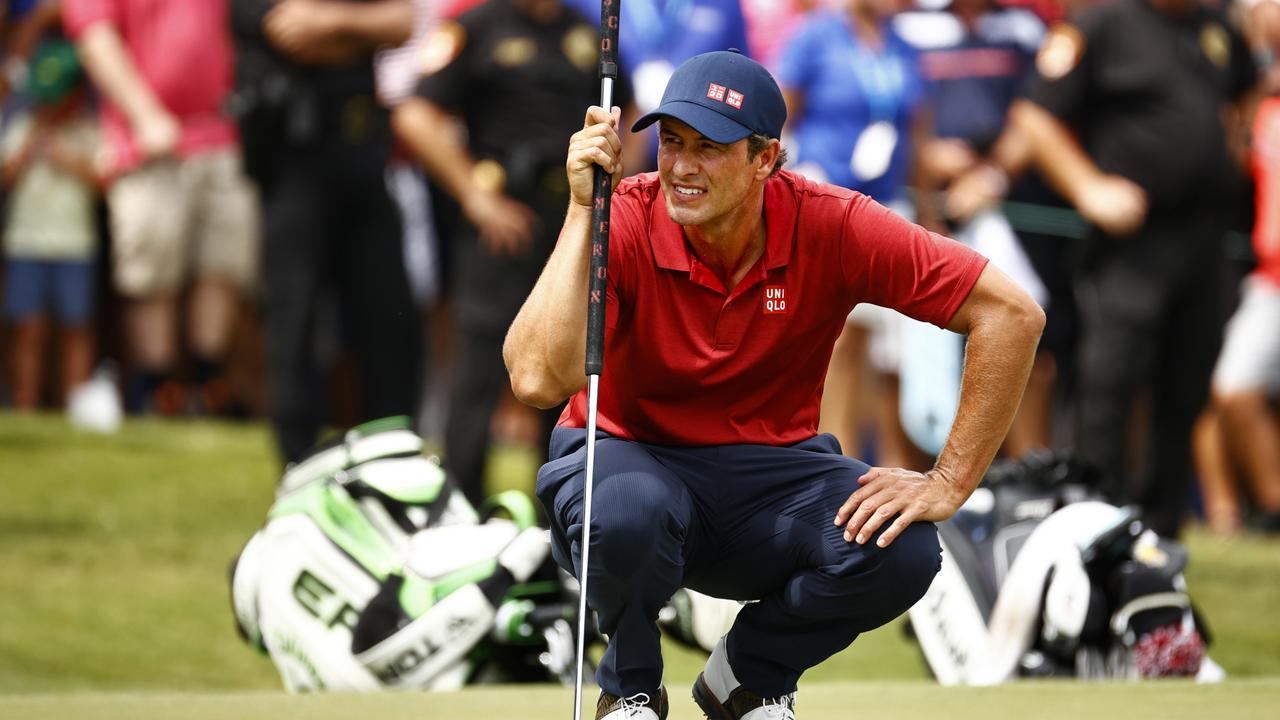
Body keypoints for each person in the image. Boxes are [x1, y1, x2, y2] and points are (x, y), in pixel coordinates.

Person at [503, 50, 1044, 720]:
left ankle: (749, 678)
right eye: (671, 143)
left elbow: (1010, 312)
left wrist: (949, 481)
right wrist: (585, 212)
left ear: (766, 159)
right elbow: (533, 379)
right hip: (628, 457)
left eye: (710, 148)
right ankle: (630, 690)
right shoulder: (628, 215)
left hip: (768, 480)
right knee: (628, 510)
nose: (682, 168)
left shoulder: (832, 222)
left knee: (902, 548)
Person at [1005, 0, 1255, 537]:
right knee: (1111, 381)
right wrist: (1086, 186)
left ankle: (1162, 532)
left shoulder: (1214, 27)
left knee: (1187, 382)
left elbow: (1243, 93)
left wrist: (1225, 147)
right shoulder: (1102, 22)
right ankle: (1097, 522)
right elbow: (1035, 114)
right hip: (1132, 239)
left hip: (1206, 236)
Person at [392, 0, 632, 504]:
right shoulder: (475, 26)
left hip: (570, 217)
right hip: (500, 224)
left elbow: (625, 110)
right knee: (477, 371)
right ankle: (460, 511)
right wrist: (475, 196)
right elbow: (415, 114)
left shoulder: (588, 33)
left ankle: (558, 522)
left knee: (564, 368)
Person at [230, 0, 423, 464]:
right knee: (294, 326)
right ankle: (298, 465)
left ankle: (391, 459)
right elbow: (291, 36)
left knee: (390, 322)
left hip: (362, 160)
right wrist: (361, 34)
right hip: (293, 164)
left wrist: (333, 23)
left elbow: (404, 23)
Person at [64, 0, 260, 415]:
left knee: (222, 266)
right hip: (146, 143)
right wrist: (145, 116)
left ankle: (210, 390)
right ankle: (160, 393)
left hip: (224, 135)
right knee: (152, 274)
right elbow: (94, 35)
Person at [775, 0, 936, 470]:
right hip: (823, 203)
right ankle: (830, 461)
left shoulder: (905, 46)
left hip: (886, 211)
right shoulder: (815, 36)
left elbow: (919, 137)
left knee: (881, 352)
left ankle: (882, 470)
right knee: (837, 335)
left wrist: (929, 217)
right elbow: (777, 118)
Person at [1, 39, 100, 410]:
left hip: (75, 243)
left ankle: (76, 406)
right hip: (25, 241)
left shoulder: (88, 129)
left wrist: (65, 158)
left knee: (76, 327)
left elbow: (103, 182)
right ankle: (25, 405)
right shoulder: (23, 125)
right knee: (28, 329)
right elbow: (6, 176)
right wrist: (28, 149)